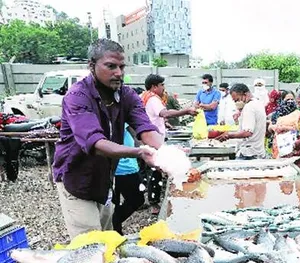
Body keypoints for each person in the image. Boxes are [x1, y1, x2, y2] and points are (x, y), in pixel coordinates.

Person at [52, 39, 164, 239]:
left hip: (104, 179)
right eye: (111, 66)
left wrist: (167, 154)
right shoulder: (77, 96)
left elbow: (145, 129)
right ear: (91, 65)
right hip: (77, 178)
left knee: (107, 237)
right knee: (90, 246)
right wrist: (139, 152)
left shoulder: (127, 95)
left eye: (122, 66)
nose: (119, 73)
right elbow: (95, 143)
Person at [141, 74, 197, 214]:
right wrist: (186, 111)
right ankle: (154, 204)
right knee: (155, 172)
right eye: (162, 85)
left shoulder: (146, 96)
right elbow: (164, 113)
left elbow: (153, 116)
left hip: (149, 137)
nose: (163, 88)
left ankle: (151, 199)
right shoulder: (153, 98)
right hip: (153, 140)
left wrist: (164, 124)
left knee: (152, 171)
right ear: (154, 87)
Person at [216, 83, 267, 159]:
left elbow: (247, 132)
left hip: (249, 153)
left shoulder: (249, 107)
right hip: (257, 151)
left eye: (237, 100)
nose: (236, 103)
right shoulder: (257, 103)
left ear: (245, 94)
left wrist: (229, 135)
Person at [112, 124, 145, 235]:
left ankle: (113, 225)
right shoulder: (118, 118)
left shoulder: (124, 121)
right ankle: (114, 228)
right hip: (121, 169)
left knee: (135, 200)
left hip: (129, 166)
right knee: (135, 200)